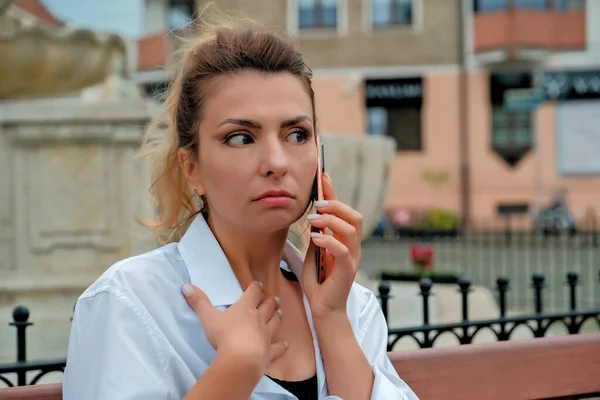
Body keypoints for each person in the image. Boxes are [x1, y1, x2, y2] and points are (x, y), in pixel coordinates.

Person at [62, 11, 418, 400]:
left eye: (297, 134)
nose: (277, 163)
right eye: (240, 138)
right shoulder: (129, 302)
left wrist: (330, 320)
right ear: (191, 167)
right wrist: (233, 371)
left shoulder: (350, 304)